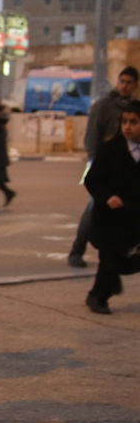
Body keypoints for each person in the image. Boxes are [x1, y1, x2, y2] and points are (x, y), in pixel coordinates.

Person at [69, 66, 139, 267]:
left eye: (129, 82)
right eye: (122, 81)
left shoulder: (134, 108)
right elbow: (92, 135)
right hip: (103, 165)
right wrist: (93, 160)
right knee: (94, 206)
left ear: (135, 85)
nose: (125, 86)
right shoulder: (104, 106)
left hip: (127, 169)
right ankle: (77, 250)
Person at [83, 99, 140, 314]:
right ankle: (98, 297)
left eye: (133, 122)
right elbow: (92, 180)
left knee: (124, 262)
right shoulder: (110, 149)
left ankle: (113, 277)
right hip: (110, 218)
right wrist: (107, 197)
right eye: (124, 122)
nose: (127, 126)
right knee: (110, 258)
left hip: (133, 217)